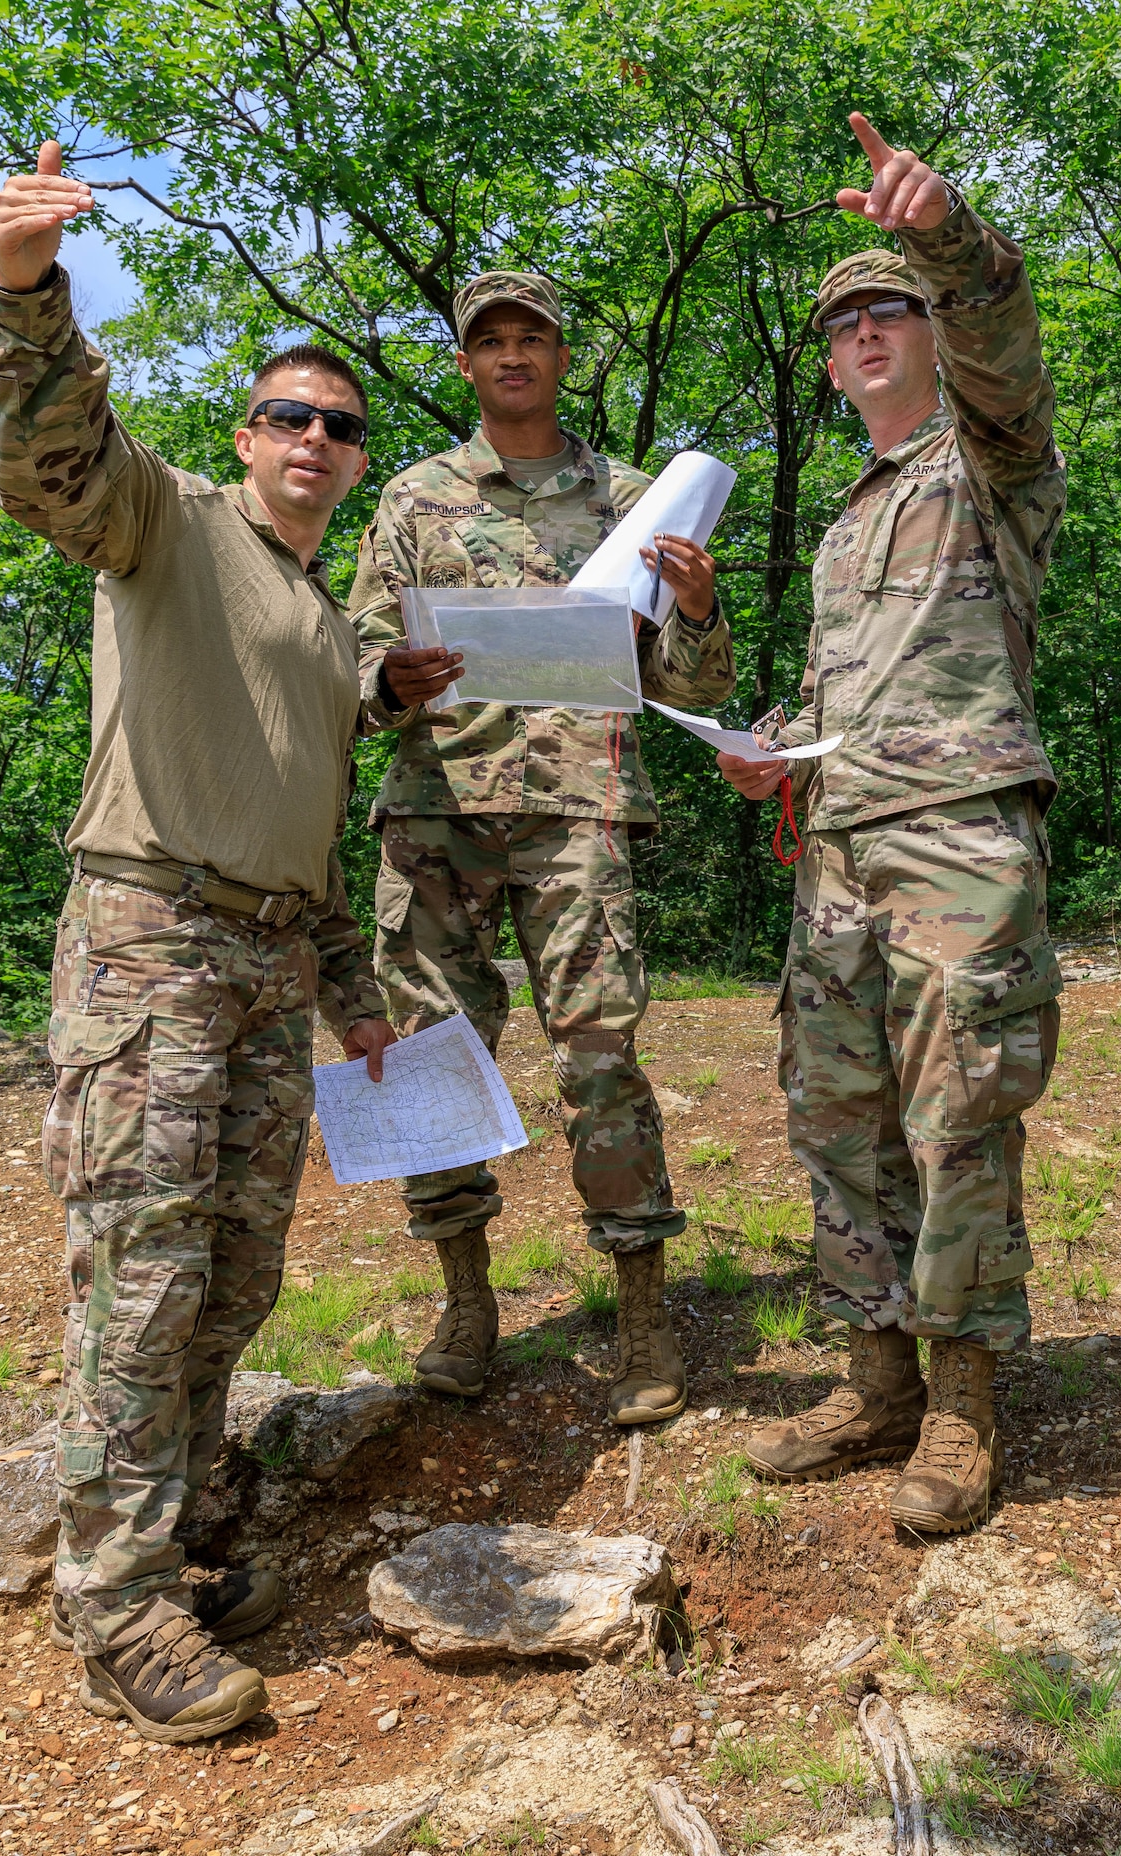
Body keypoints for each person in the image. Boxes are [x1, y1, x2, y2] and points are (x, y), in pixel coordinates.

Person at [0, 142, 397, 1740]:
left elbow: (308, 818)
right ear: (247, 436)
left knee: (230, 1279)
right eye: (289, 414)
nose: (313, 438)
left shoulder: (326, 618)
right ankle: (115, 1602)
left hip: (271, 964)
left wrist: (349, 994)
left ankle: (174, 1526)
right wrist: (27, 297)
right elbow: (50, 460)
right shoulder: (169, 520)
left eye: (340, 426)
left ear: (355, 464)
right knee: (140, 1286)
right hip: (150, 944)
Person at [719, 115, 1066, 1535]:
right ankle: (876, 1379)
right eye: (843, 320)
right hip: (845, 846)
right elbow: (834, 698)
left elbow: (1003, 341)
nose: (865, 330)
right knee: (836, 1118)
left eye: (890, 310)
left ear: (928, 330)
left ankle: (967, 1400)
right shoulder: (843, 524)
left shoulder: (987, 459)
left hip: (958, 845)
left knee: (957, 1117)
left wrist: (947, 240)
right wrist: (771, 758)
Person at [348, 270, 735, 1424]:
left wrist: (701, 612)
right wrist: (386, 680)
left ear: (563, 358)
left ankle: (642, 1310)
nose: (512, 356)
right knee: (427, 1059)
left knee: (600, 1056)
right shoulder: (414, 501)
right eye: (490, 342)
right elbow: (359, 663)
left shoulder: (638, 500)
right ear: (464, 364)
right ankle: (466, 1302)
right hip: (436, 812)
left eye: (533, 339)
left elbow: (686, 680)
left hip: (578, 811)